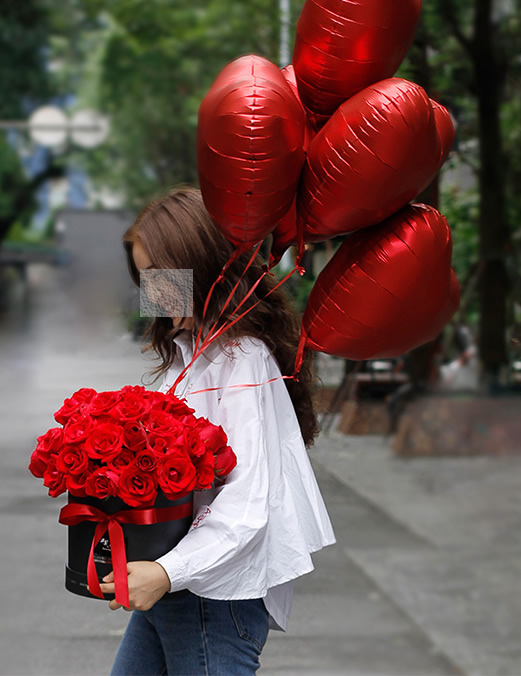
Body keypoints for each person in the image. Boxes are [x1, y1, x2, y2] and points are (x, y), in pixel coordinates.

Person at [101, 186, 335, 675]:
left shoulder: (242, 360)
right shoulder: (191, 356)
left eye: (161, 276)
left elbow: (248, 502)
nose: (154, 293)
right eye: (145, 278)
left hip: (214, 595)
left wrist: (166, 571)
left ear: (201, 264)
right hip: (181, 580)